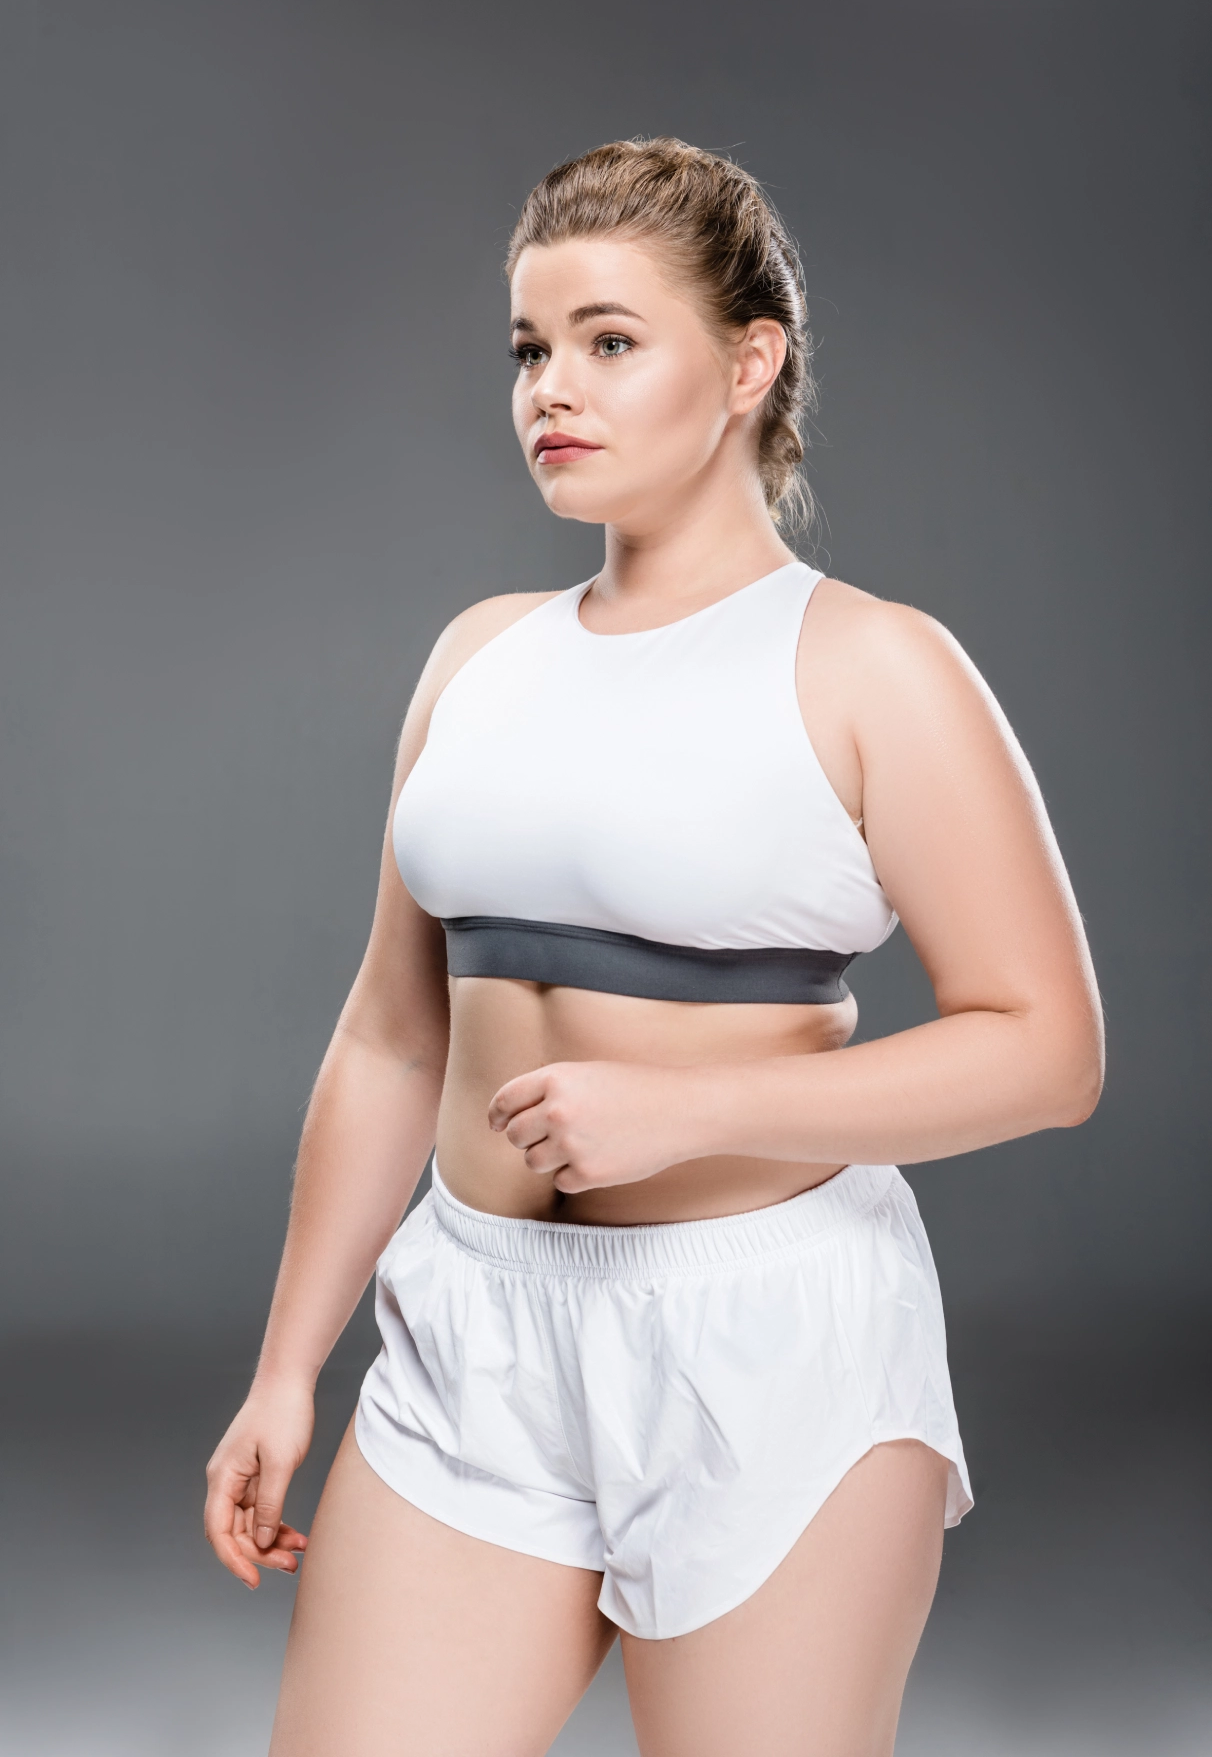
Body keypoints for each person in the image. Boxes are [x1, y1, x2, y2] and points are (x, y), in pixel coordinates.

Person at [204, 138, 1103, 1757]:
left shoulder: (873, 668)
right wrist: (287, 1372)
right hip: (471, 1327)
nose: (555, 386)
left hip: (770, 1352)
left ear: (750, 364)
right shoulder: (478, 657)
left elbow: (1048, 1048)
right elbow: (394, 1039)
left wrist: (694, 1113)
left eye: (612, 342)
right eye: (532, 349)